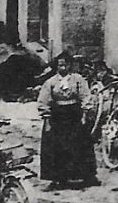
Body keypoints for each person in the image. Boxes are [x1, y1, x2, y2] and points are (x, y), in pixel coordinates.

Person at [36, 52, 98, 190]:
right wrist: (46, 117)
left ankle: (86, 176)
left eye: (66, 64)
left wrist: (85, 113)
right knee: (56, 146)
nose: (63, 67)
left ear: (70, 65)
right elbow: (43, 100)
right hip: (57, 116)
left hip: (74, 114)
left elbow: (85, 96)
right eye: (60, 65)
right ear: (56, 66)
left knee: (79, 143)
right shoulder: (51, 82)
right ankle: (58, 179)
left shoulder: (77, 79)